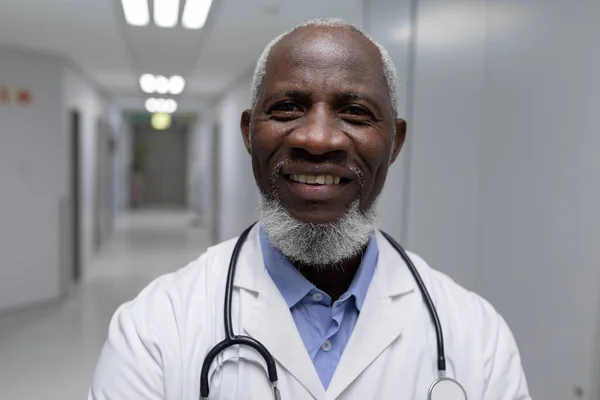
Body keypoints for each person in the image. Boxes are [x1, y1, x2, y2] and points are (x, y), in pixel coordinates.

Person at [88, 18, 531, 399]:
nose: (317, 139)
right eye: (287, 108)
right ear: (248, 133)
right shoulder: (154, 330)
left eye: (355, 112)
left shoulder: (478, 338)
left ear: (394, 142)